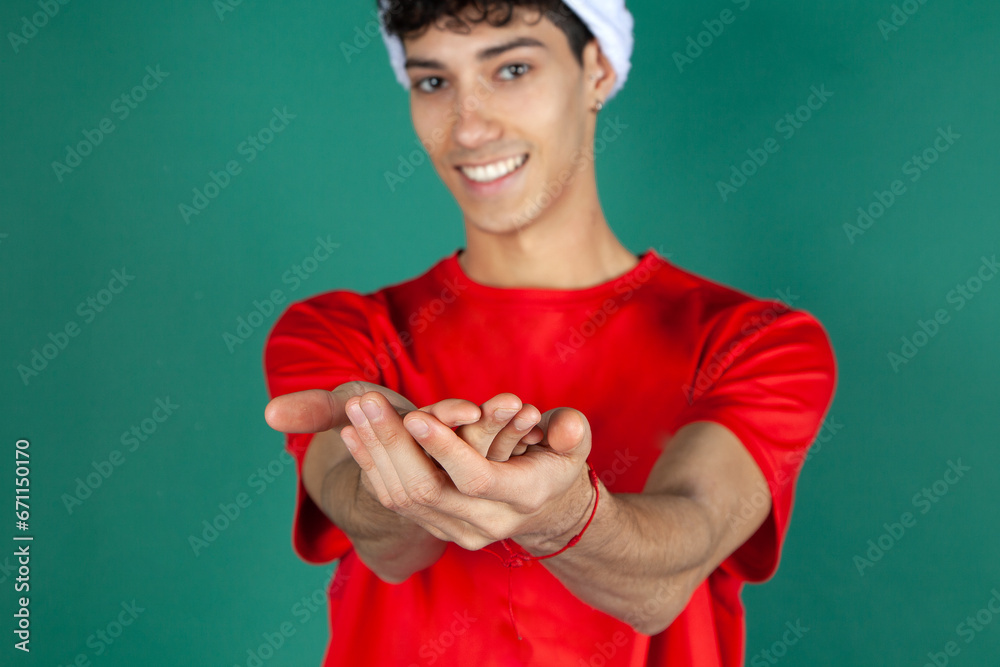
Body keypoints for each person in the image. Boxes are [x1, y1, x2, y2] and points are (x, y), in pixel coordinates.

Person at [262, 1, 837, 665]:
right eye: (432, 81)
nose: (468, 127)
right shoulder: (339, 333)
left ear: (597, 68)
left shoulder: (757, 341)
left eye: (510, 68)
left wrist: (565, 514)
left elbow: (663, 578)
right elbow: (384, 547)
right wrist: (398, 470)